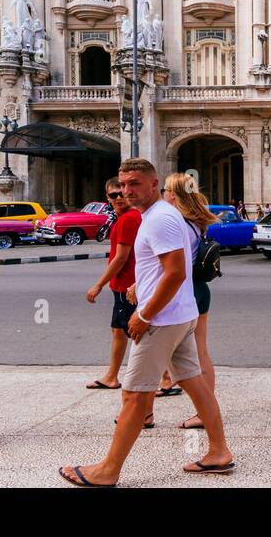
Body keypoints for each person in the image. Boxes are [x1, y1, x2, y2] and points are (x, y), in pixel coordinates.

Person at [59, 158, 235, 486]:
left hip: (162, 320)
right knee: (195, 383)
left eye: (135, 184)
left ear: (155, 185)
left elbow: (176, 272)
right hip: (180, 314)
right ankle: (219, 452)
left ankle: (108, 470)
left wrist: (144, 314)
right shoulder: (160, 216)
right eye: (122, 185)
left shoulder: (158, 219)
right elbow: (166, 268)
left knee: (134, 395)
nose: (126, 191)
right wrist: (141, 287)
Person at [162, 172, 217, 431]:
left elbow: (173, 267)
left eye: (165, 190)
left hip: (183, 291)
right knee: (201, 352)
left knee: (180, 355)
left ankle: (203, 410)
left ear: (173, 194)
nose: (162, 194)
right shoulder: (197, 221)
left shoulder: (179, 224)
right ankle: (204, 409)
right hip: (200, 288)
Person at [85, 178, 142, 399]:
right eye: (113, 195)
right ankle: (112, 375)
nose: (118, 198)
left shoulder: (128, 220)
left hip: (126, 285)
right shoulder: (128, 217)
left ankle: (165, 377)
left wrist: (98, 285)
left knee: (135, 332)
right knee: (120, 331)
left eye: (121, 193)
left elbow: (120, 258)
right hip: (126, 284)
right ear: (106, 197)